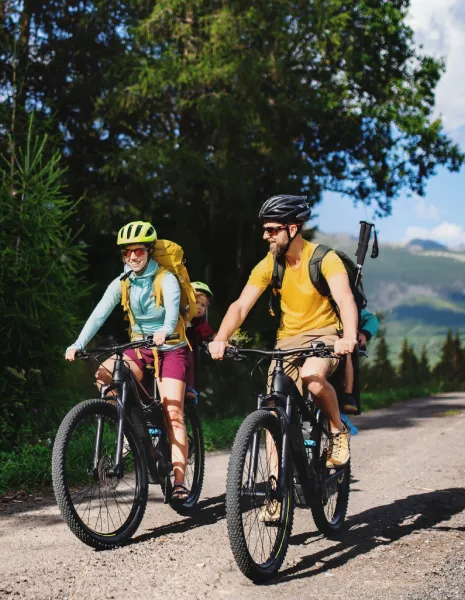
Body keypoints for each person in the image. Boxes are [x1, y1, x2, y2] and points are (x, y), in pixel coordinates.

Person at [209, 195, 358, 474]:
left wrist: (348, 336)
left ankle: (337, 430)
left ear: (292, 228)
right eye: (265, 230)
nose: (266, 236)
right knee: (273, 410)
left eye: (272, 230)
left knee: (312, 377)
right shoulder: (270, 263)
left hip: (325, 335)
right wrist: (220, 338)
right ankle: (276, 485)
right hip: (287, 340)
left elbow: (345, 298)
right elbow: (241, 306)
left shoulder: (325, 259)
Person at [65, 221, 193, 502]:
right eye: (127, 252)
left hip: (170, 347)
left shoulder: (165, 278)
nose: (133, 257)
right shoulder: (123, 282)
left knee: (173, 413)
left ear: (149, 251)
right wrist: (78, 343)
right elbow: (99, 313)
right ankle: (129, 427)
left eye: (138, 251)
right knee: (104, 374)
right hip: (140, 347)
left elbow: (173, 311)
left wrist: (165, 330)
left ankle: (179, 481)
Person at [341, 307, 379, 414]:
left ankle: (348, 396)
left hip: (343, 346)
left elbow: (372, 319)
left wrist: (364, 333)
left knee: (346, 353)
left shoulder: (349, 307)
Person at [187, 282, 216, 399]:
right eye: (196, 302)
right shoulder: (178, 319)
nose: (199, 307)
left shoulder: (199, 323)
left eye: (203, 305)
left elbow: (207, 333)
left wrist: (217, 338)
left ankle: (189, 389)